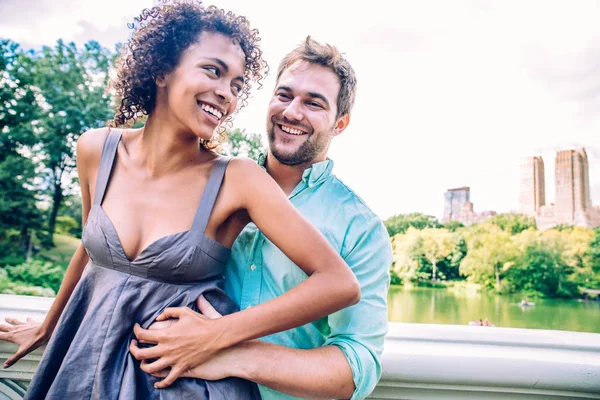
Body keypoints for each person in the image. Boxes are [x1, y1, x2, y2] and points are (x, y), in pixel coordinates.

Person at [0, 3, 361, 399]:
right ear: (161, 70)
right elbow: (88, 249)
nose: (226, 93)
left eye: (237, 85)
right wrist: (50, 325)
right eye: (213, 70)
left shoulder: (238, 179)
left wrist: (220, 334)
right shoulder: (94, 149)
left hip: (180, 384)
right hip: (84, 365)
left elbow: (338, 283)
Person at [130, 37, 393, 400]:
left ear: (340, 124)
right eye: (284, 95)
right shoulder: (211, 183)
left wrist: (232, 352)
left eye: (314, 103)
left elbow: (355, 367)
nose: (292, 112)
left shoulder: (360, 228)